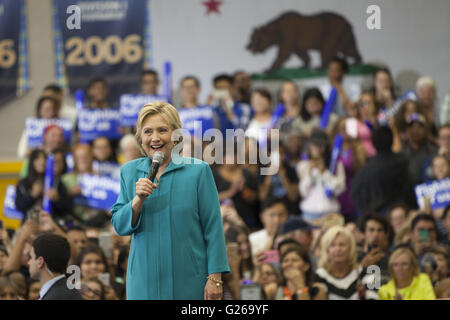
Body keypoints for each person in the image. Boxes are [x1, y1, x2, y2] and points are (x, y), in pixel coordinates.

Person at [111, 101, 230, 299]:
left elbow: (213, 227)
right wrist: (137, 201)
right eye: (148, 131)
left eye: (162, 130)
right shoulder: (129, 172)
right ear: (140, 138)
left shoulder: (198, 171)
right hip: (143, 281)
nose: (155, 138)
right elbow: (120, 225)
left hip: (190, 279)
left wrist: (215, 277)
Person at [351, 126, 416, 215]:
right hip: (402, 214)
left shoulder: (364, 171)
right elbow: (412, 189)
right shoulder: (403, 162)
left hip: (376, 217)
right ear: (392, 140)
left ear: (373, 143)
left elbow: (356, 196)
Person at [315, 225, 379, 300]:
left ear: (350, 248)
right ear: (327, 249)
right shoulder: (318, 277)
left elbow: (374, 297)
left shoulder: (368, 272)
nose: (338, 249)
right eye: (332, 245)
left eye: (342, 244)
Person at [296, 130, 346, 222]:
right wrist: (309, 174)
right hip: (309, 213)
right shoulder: (303, 165)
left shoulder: (336, 164)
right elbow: (303, 192)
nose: (318, 149)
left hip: (331, 212)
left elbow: (339, 189)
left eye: (321, 145)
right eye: (315, 145)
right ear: (309, 146)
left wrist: (324, 173)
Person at [28, 233, 82, 300]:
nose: (29, 262)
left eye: (31, 257)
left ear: (40, 261)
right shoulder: (67, 290)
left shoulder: (56, 296)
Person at [401, 113, 438, 186]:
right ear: (406, 130)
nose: (415, 130)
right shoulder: (400, 152)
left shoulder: (433, 151)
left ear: (426, 130)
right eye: (411, 126)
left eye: (420, 126)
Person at [249, 197, 289, 261]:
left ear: (287, 215)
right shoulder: (252, 239)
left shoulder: (293, 237)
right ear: (262, 217)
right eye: (272, 215)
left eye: (281, 215)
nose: (277, 220)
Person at [357, 213, 391, 285]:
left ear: (386, 234)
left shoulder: (392, 258)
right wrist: (362, 267)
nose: (376, 234)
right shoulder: (355, 257)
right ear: (363, 233)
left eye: (380, 230)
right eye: (371, 230)